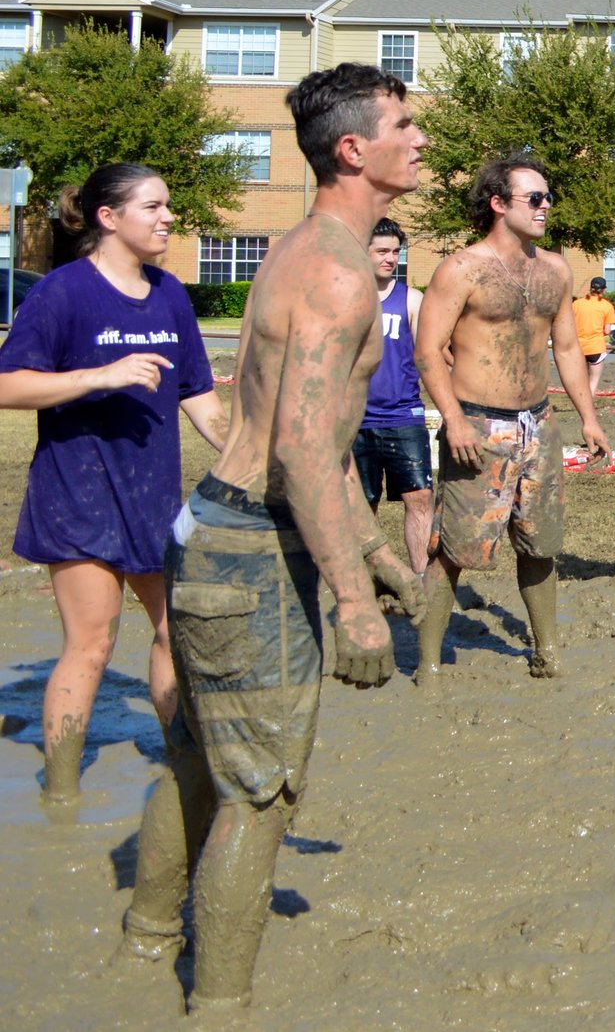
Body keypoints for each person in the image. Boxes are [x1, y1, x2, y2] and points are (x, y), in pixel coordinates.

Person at [119, 66, 425, 1009]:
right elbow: (299, 450)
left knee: (203, 761)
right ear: (352, 150)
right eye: (404, 126)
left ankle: (143, 941)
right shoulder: (339, 272)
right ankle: (217, 1009)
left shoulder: (301, 249)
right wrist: (354, 600)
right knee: (261, 793)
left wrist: (373, 550)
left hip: (211, 525)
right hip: (255, 548)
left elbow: (313, 438)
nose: (419, 140)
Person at [0, 165, 225, 806]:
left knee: (173, 632)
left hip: (155, 495)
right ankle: (61, 791)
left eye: (169, 206)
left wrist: (245, 451)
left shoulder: (171, 294)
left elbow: (199, 395)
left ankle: (183, 764)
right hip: (78, 493)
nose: (168, 217)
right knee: (92, 644)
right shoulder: (61, 293)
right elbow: (7, 385)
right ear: (108, 217)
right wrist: (100, 376)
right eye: (154, 206)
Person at [412, 157, 610, 682]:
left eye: (548, 196)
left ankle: (547, 651)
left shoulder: (555, 270)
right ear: (499, 204)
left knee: (540, 543)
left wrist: (588, 418)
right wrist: (452, 419)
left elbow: (567, 348)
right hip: (478, 423)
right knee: (454, 546)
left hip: (538, 424)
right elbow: (429, 350)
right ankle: (428, 664)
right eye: (535, 198)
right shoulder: (461, 269)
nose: (547, 206)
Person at [354, 217, 434, 583]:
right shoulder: (345, 298)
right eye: (382, 251)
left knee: (419, 497)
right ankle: (366, 579)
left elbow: (430, 357)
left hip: (404, 416)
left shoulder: (411, 300)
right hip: (355, 421)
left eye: (395, 252)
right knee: (362, 504)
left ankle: (420, 576)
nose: (390, 259)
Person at [571, 275, 615, 396]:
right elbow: (607, 331)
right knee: (593, 380)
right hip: (596, 347)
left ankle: (579, 400)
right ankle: (588, 404)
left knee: (581, 379)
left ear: (590, 288)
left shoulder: (577, 304)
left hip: (579, 347)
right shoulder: (607, 306)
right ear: (603, 290)